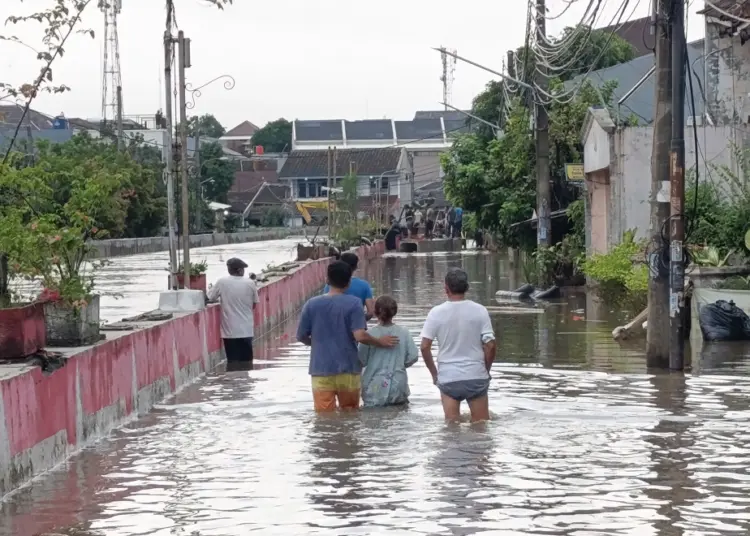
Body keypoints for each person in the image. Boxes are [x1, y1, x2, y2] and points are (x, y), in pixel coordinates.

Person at [297, 261, 399, 412]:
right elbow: (359, 336)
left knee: (324, 418)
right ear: (349, 282)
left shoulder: (311, 304)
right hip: (348, 369)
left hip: (321, 370)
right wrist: (380, 342)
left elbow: (301, 336)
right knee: (350, 414)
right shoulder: (354, 303)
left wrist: (318, 344)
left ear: (327, 280)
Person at [420, 268, 496, 422]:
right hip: (476, 376)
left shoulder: (436, 313)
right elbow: (491, 345)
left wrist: (435, 374)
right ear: (467, 288)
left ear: (446, 288)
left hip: (449, 378)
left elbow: (424, 346)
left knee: (451, 430)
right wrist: (485, 369)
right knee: (481, 427)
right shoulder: (480, 311)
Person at [358, 295, 418, 407]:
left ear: (375, 313)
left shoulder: (369, 335)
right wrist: (401, 364)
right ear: (395, 312)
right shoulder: (404, 332)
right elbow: (413, 356)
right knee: (399, 417)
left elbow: (361, 360)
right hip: (398, 384)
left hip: (374, 384)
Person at [207, 257, 260, 364]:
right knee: (247, 362)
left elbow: (210, 297)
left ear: (229, 270)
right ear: (240, 270)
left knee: (232, 362)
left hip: (229, 332)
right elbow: (254, 304)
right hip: (246, 330)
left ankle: (234, 379)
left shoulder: (222, 282)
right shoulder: (250, 283)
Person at [322, 251, 375, 320]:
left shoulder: (330, 285)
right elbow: (370, 312)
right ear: (356, 267)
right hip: (357, 328)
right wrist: (358, 322)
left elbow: (325, 308)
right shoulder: (364, 285)